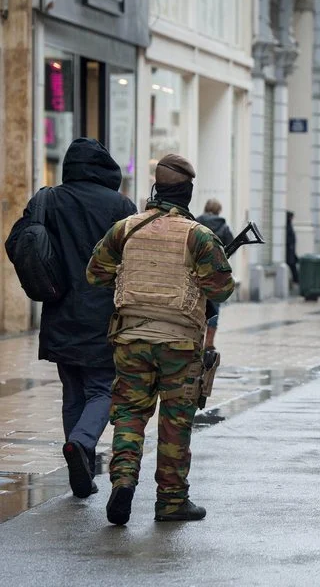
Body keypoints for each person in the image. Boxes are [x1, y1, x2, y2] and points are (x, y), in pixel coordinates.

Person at [86, 154, 235, 525]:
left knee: (129, 414)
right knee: (175, 420)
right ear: (187, 190)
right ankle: (171, 501)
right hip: (180, 343)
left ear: (156, 187)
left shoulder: (126, 229)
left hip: (131, 337)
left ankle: (122, 480)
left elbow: (95, 274)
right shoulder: (198, 235)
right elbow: (222, 287)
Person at [5, 138, 136, 499]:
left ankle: (79, 471)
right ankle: (81, 443)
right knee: (102, 389)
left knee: (73, 392)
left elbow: (16, 242)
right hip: (104, 314)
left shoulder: (48, 199)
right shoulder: (120, 205)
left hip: (59, 309)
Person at [196, 199, 234, 348]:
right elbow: (231, 246)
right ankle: (209, 342)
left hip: (196, 271)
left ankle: (197, 339)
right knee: (214, 306)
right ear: (219, 210)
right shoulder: (223, 227)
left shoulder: (196, 223)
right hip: (216, 273)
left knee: (197, 305)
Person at [285, 210, 298, 285]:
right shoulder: (287, 225)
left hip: (291, 250)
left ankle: (295, 280)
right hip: (289, 250)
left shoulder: (289, 224)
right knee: (292, 265)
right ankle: (295, 280)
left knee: (293, 266)